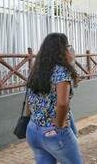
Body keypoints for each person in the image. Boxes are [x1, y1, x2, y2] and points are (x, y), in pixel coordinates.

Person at [26, 33, 83, 164]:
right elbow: (62, 103)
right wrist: (59, 126)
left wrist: (33, 119)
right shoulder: (61, 70)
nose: (69, 49)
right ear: (61, 49)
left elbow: (29, 101)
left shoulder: (36, 70)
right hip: (52, 132)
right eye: (67, 46)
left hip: (33, 130)